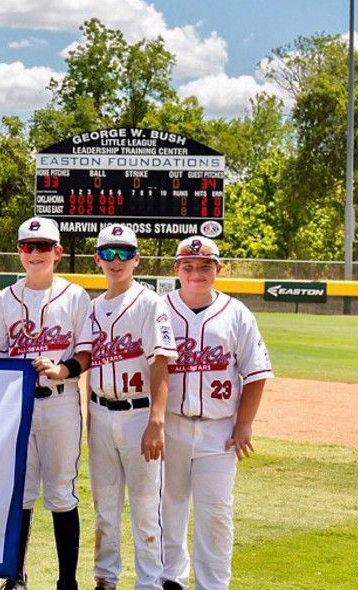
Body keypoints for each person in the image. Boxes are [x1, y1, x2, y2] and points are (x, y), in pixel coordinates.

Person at [40, 224, 175, 590]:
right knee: (106, 508)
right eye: (109, 253)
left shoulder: (150, 303)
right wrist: (88, 421)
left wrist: (156, 422)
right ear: (97, 258)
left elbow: (160, 363)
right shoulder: (92, 308)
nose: (117, 261)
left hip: (138, 414)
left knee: (147, 508)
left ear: (137, 259)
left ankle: (148, 583)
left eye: (125, 253)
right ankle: (105, 579)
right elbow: (85, 362)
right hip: (99, 412)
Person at [0, 217, 90, 590]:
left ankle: (67, 582)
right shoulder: (5, 300)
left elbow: (88, 354)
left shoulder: (75, 296)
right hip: (20, 407)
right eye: (28, 247)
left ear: (57, 253)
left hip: (61, 403)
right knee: (22, 492)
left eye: (44, 246)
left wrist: (62, 369)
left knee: (62, 492)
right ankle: (15, 577)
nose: (35, 253)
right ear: (20, 252)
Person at [159, 236, 272, 590]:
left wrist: (245, 424)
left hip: (218, 431)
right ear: (176, 269)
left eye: (205, 266)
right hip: (171, 426)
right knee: (167, 509)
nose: (197, 273)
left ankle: (213, 585)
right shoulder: (159, 310)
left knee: (216, 514)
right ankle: (170, 579)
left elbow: (255, 373)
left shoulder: (237, 313)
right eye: (189, 266)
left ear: (218, 269)